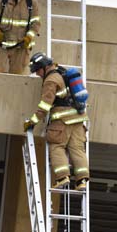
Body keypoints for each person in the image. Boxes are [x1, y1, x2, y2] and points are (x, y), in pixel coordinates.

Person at [24, 52, 89, 190]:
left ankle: (62, 177)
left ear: (43, 67)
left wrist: (33, 121)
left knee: (56, 146)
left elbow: (45, 104)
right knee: (77, 149)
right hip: (78, 118)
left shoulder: (51, 80)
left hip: (62, 120)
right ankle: (81, 181)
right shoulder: (63, 72)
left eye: (37, 71)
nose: (37, 74)